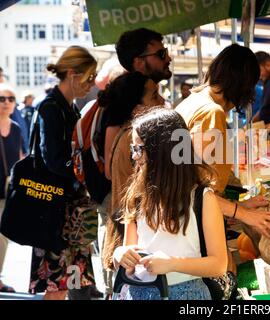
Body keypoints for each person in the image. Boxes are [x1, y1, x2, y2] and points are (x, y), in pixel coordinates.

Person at [113, 108, 227, 300]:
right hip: (138, 291)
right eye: (133, 149)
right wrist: (120, 254)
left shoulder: (202, 197)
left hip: (188, 293)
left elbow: (219, 264)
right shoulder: (137, 195)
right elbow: (128, 257)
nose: (133, 156)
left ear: (162, 152)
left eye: (139, 149)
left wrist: (173, 263)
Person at [176, 44, 270, 240]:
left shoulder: (191, 103)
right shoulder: (211, 112)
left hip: (188, 218)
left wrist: (240, 206)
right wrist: (243, 214)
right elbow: (197, 190)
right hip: (194, 226)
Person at [28, 46, 97, 300]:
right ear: (72, 74)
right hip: (57, 211)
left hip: (72, 212)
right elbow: (54, 160)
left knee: (69, 284)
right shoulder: (51, 108)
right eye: (89, 77)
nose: (91, 84)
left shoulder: (69, 108)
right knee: (58, 288)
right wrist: (84, 170)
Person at [100, 72, 164, 299]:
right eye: (154, 96)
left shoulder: (124, 133)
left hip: (124, 234)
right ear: (137, 109)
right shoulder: (134, 139)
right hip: (131, 240)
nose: (163, 101)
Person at [0, 83, 24, 293]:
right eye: (2, 99)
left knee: (2, 237)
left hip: (6, 190)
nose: (6, 103)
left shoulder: (15, 127)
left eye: (10, 99)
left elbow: (17, 159)